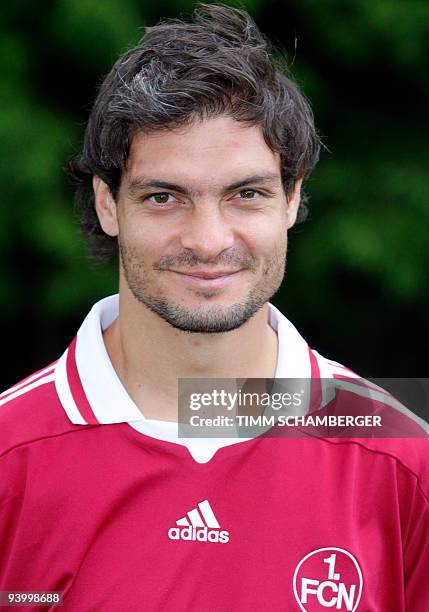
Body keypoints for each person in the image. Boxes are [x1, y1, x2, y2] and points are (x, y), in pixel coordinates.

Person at [0, 4, 428, 610]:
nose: (208, 240)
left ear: (291, 198)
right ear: (108, 204)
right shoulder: (8, 456)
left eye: (245, 194)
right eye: (165, 197)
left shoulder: (401, 455)